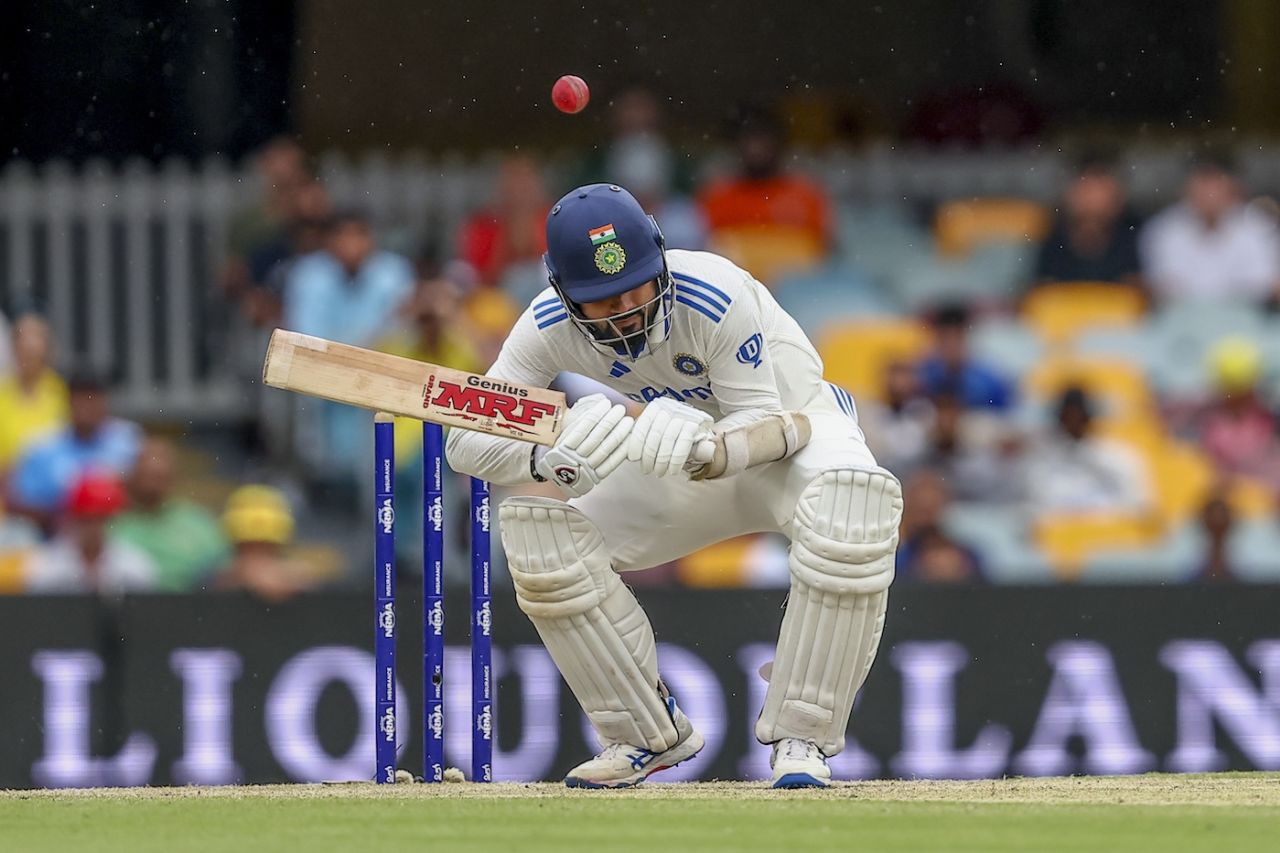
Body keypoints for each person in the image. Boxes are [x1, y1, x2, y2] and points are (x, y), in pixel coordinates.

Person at [446, 183, 902, 789]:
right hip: (679, 458)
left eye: (635, 287)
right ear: (563, 295)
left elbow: (769, 422)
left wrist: (711, 442)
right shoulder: (546, 325)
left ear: (660, 260)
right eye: (602, 302)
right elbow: (466, 442)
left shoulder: (714, 293)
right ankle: (642, 734)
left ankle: (804, 740)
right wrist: (546, 459)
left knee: (854, 503)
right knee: (542, 532)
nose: (627, 310)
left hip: (795, 437)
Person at [6, 370, 142, 530]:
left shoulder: (129, 441)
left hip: (119, 535)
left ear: (105, 401)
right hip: (56, 538)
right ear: (67, 402)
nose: (86, 406)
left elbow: (143, 497)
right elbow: (17, 503)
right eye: (79, 398)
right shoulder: (41, 445)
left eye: (92, 398)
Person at [1139, 153, 1280, 303]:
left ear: (1235, 187)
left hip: (1246, 322)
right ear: (1186, 187)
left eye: (1216, 183)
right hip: (1180, 321)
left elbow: (1267, 287)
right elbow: (1161, 289)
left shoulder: (1260, 227)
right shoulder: (1162, 230)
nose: (1209, 193)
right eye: (1203, 182)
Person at [110, 436, 230, 591]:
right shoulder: (112, 522)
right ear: (132, 475)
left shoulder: (199, 523)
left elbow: (222, 569)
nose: (153, 485)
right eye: (148, 475)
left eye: (160, 477)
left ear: (173, 477)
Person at [1022, 386, 1151, 515]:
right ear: (1060, 419)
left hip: (1108, 528)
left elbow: (1136, 501)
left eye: (1079, 415)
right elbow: (1035, 502)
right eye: (1067, 416)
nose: (1073, 421)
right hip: (1059, 527)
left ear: (1088, 417)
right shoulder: (1040, 458)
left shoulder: (1117, 455)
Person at [23, 473, 158, 595]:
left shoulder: (135, 564)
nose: (94, 527)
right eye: (86, 519)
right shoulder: (45, 563)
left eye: (101, 518)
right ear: (72, 518)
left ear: (113, 520)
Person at [1033, 157, 1144, 289]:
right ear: (1070, 194)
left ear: (1118, 197)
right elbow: (1041, 290)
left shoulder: (1138, 235)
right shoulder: (1049, 234)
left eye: (1101, 192)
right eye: (1087, 191)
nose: (1093, 202)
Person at [0, 314, 70, 477]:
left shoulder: (61, 391)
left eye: (33, 354)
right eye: (23, 351)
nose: (28, 359)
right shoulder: (3, 392)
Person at [915, 303, 1015, 412]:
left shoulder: (986, 378)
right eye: (945, 340)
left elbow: (1004, 410)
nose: (951, 346)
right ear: (937, 342)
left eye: (956, 339)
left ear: (965, 340)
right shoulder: (924, 374)